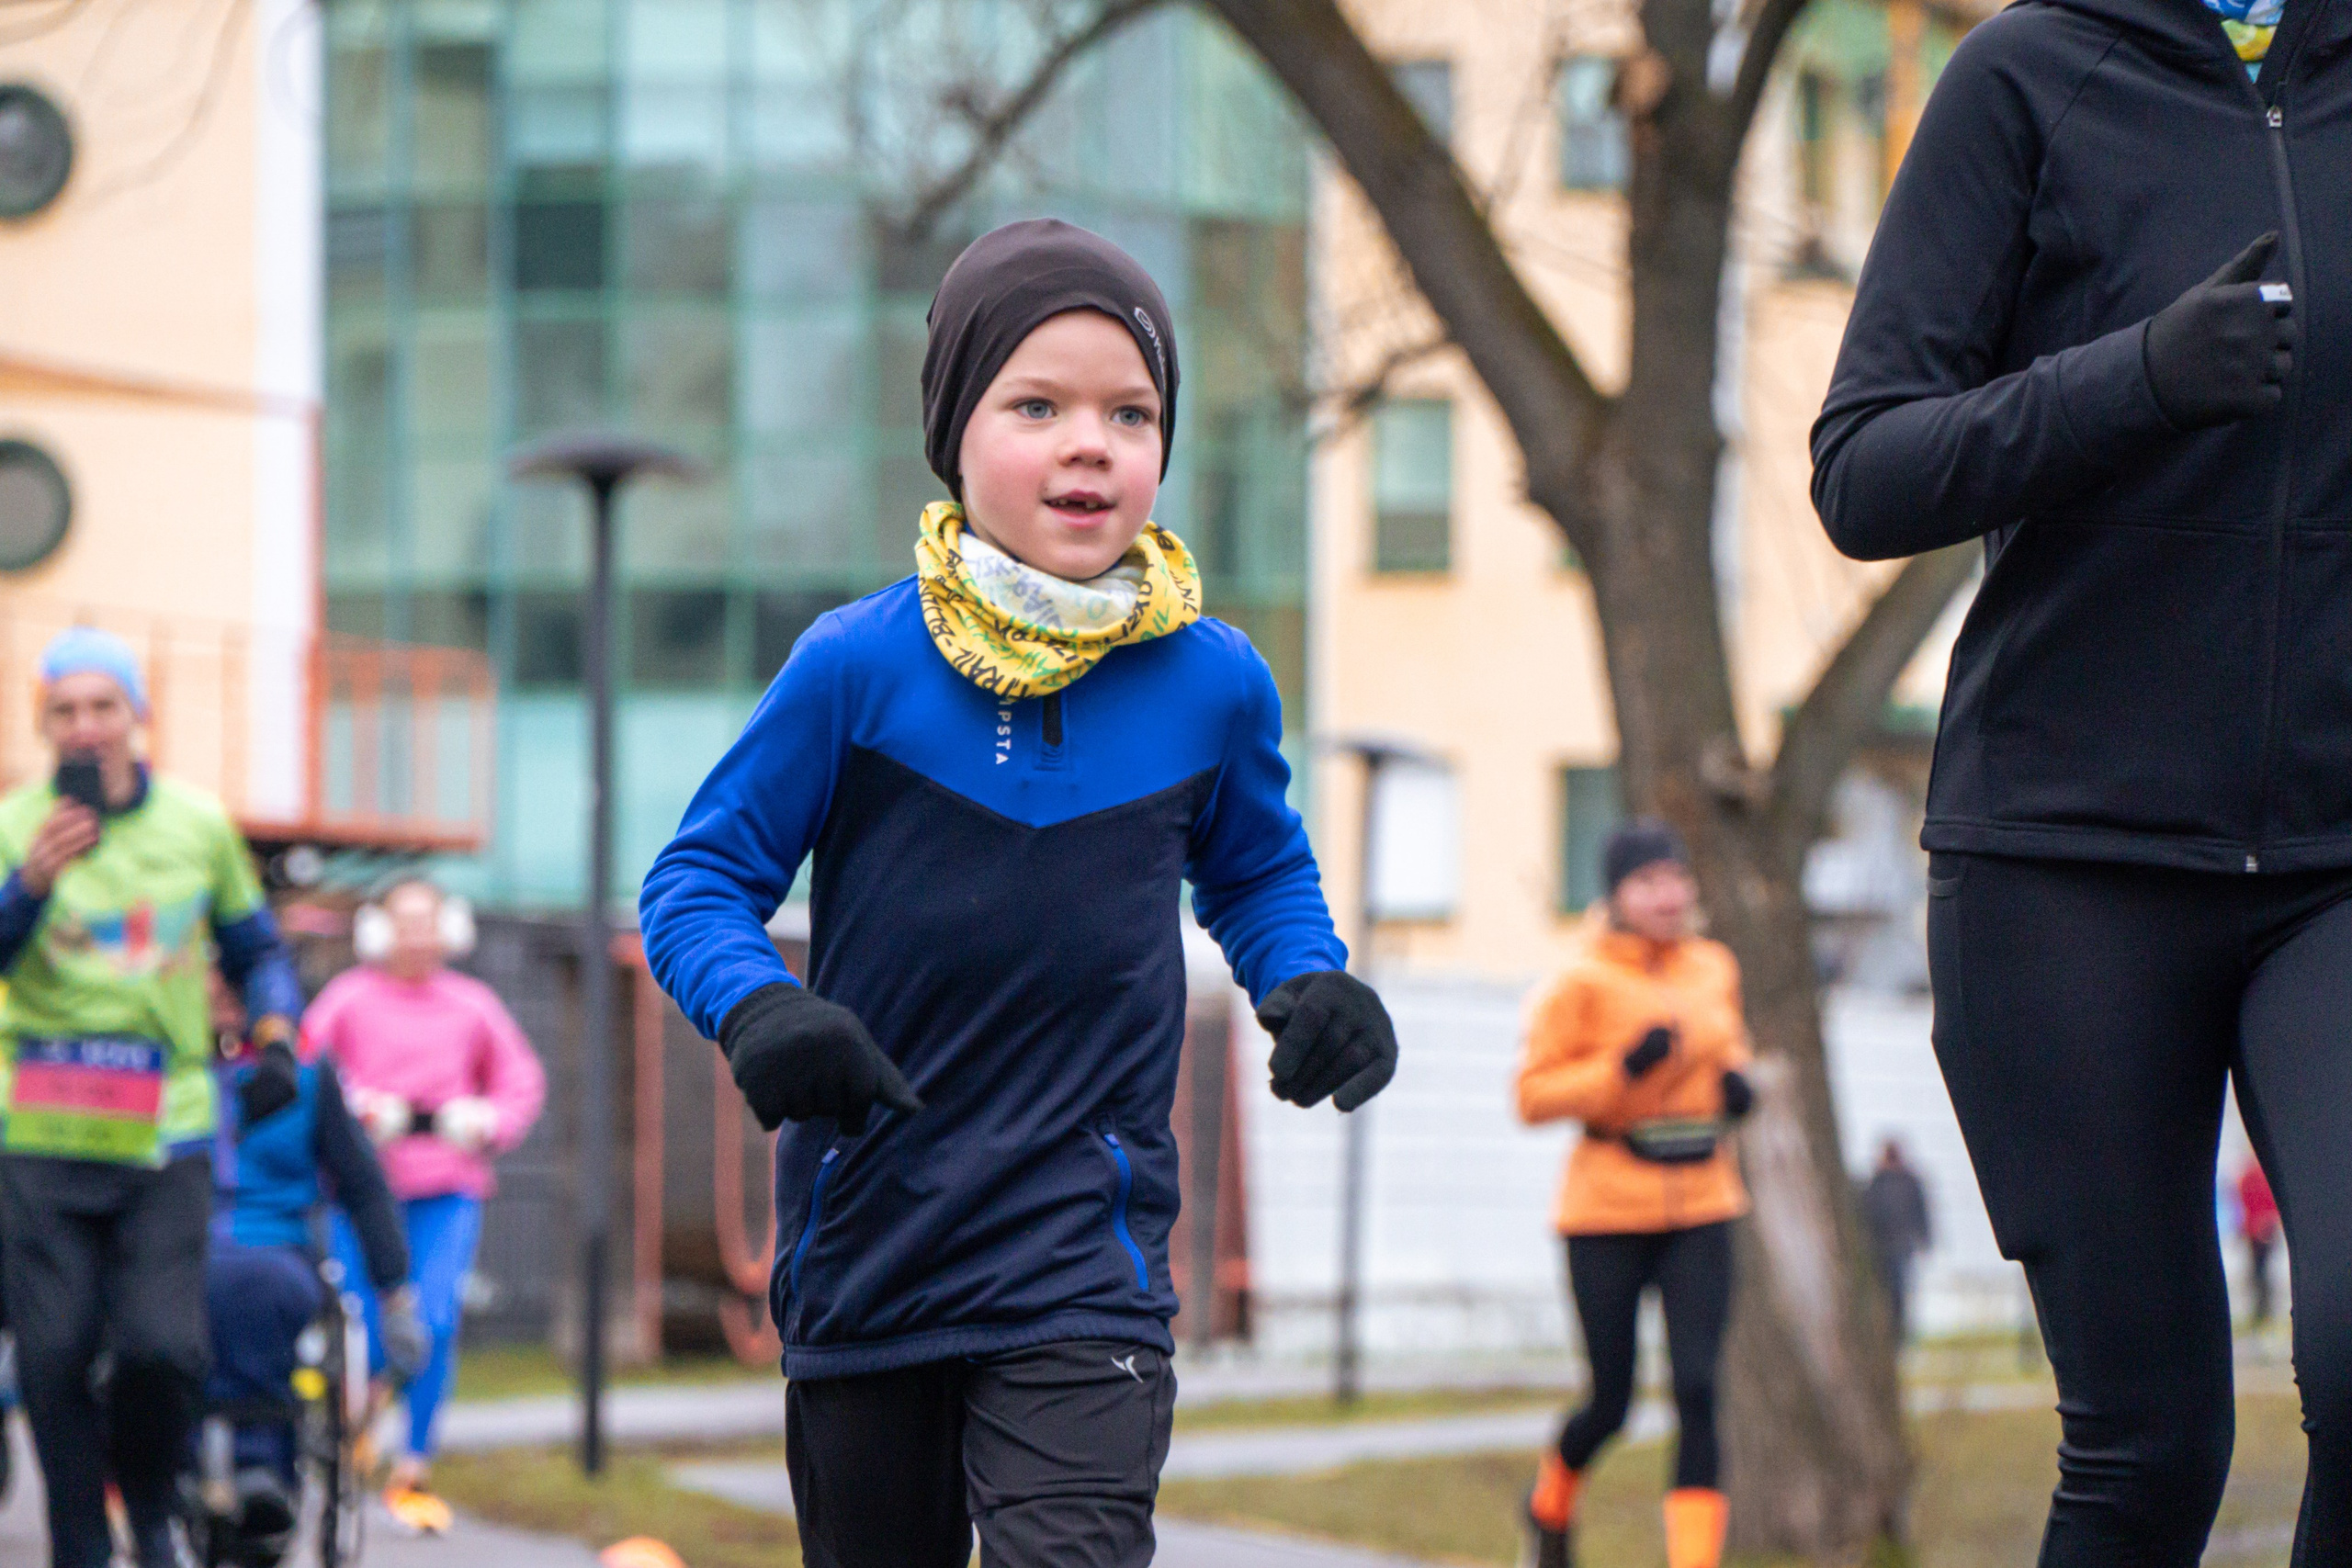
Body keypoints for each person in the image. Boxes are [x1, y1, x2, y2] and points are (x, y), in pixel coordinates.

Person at [639, 218, 1396, 1568]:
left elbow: (1260, 867)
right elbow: (698, 879)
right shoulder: (854, 667)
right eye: (1036, 404)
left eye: (1131, 410)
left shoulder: (1212, 680)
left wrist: (1308, 975)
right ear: (955, 430)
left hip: (1081, 1251)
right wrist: (760, 1011)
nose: (1090, 442)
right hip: (873, 1239)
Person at [1810, 0, 2350, 1551]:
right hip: (2069, 864)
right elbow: (1865, 466)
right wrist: (2141, 377)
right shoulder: (2028, 81)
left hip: (2336, 855)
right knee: (2151, 1442)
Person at [0, 626, 306, 1568]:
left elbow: (256, 952)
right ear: (44, 724)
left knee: (162, 1352)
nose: (87, 727)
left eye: (105, 706)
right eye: (66, 711)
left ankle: (153, 1502)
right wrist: (30, 886)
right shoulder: (15, 825)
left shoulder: (198, 823)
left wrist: (276, 1033)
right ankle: (82, 1544)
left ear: (139, 717)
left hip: (164, 1130)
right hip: (42, 1133)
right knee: (51, 1360)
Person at [1513, 820, 1755, 1568]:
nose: (1669, 895)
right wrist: (1623, 1067)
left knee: (1698, 1388)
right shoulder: (1580, 981)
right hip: (1606, 1209)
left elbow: (1728, 1046)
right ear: (1615, 894)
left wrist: (1735, 1087)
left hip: (1705, 1200)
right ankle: (1549, 1504)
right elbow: (1532, 1095)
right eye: (1648, 882)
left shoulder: (1714, 965)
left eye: (1677, 878)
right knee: (1611, 1402)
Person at [302, 876, 544, 1534]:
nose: (416, 935)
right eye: (403, 921)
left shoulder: (475, 1006)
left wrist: (488, 1120)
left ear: (450, 929)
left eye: (427, 920)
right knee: (365, 1328)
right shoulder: (347, 999)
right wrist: (350, 1109)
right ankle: (356, 1416)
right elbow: (303, 1066)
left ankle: (412, 1460)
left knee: (432, 1322)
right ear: (379, 929)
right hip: (360, 1194)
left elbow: (522, 1082)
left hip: (447, 1189)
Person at [207, 976, 426, 1563]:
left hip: (275, 1242)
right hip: (173, 1238)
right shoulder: (161, 1064)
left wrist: (395, 1294)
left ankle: (261, 1469)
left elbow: (363, 1185)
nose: (224, 1000)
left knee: (262, 1288)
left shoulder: (308, 1072)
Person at [1860, 1137, 1933, 1346]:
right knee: (1886, 1293)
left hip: (1901, 1247)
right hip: (1881, 1248)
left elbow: (1921, 1212)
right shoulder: (1877, 1181)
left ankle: (1899, 1337)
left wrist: (1924, 1239)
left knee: (1900, 1292)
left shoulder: (1909, 1181)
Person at [2240, 1156, 2281, 1326]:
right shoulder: (2255, 1176)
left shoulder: (2255, 1176)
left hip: (2262, 1229)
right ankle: (2261, 1311)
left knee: (2261, 1272)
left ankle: (2264, 1311)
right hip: (2257, 1229)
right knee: (2259, 1272)